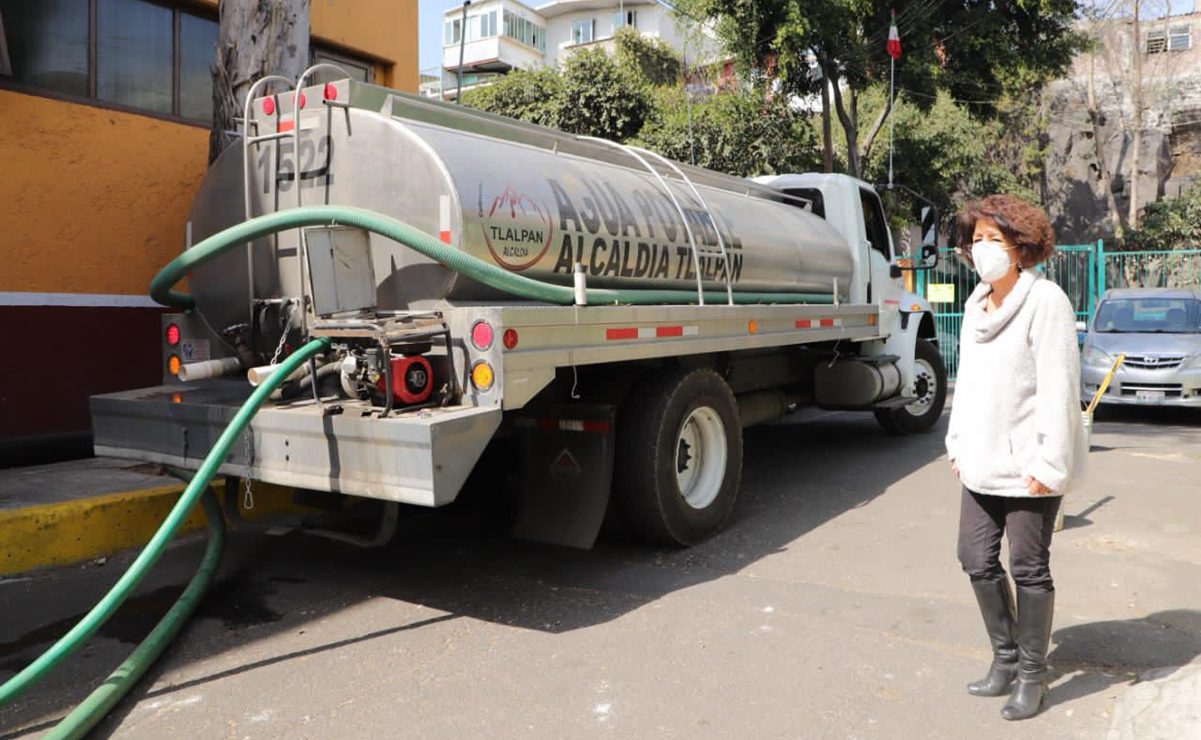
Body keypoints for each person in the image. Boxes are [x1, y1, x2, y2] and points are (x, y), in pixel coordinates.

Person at [945, 195, 1086, 721]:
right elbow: (972, 386)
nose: (982, 249)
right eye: (976, 239)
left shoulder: (1046, 301)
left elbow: (1058, 387)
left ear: (1022, 248)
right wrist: (956, 444)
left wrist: (1051, 466)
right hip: (979, 462)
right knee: (974, 558)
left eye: (994, 240)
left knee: (1028, 568)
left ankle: (1032, 675)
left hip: (1029, 467)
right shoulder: (975, 304)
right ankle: (1004, 660)